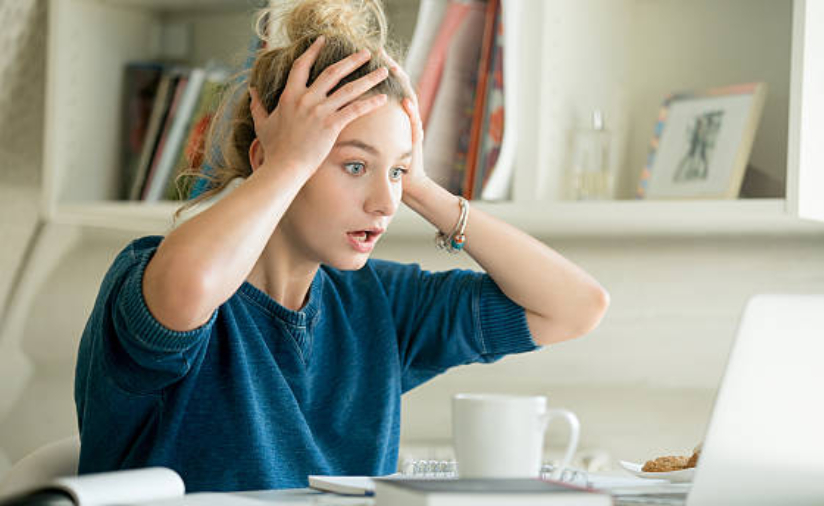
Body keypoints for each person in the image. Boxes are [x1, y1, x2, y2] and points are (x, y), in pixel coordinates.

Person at [74, 0, 609, 493]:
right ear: (271, 160)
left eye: (396, 172)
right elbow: (190, 290)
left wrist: (423, 189)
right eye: (354, 165)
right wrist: (289, 163)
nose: (384, 203)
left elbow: (576, 307)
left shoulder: (379, 303)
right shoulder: (150, 274)